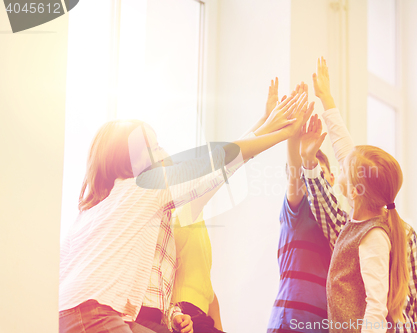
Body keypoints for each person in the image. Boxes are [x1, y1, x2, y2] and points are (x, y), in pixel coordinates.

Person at [59, 92, 314, 333]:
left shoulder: (92, 211)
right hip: (94, 313)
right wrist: (280, 133)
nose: (163, 152)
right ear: (129, 157)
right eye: (153, 146)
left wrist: (266, 125)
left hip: (65, 312)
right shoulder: (145, 187)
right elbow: (215, 163)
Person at [298, 57, 417, 333]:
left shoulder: (378, 235)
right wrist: (327, 100)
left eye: (344, 170)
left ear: (356, 190)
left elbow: (379, 308)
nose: (339, 167)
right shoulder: (357, 222)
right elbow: (347, 153)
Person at [266, 82, 332, 333]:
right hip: (289, 323)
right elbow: (295, 174)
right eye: (310, 173)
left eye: (318, 171)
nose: (313, 179)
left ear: (332, 179)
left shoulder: (340, 222)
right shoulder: (298, 211)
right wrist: (294, 134)